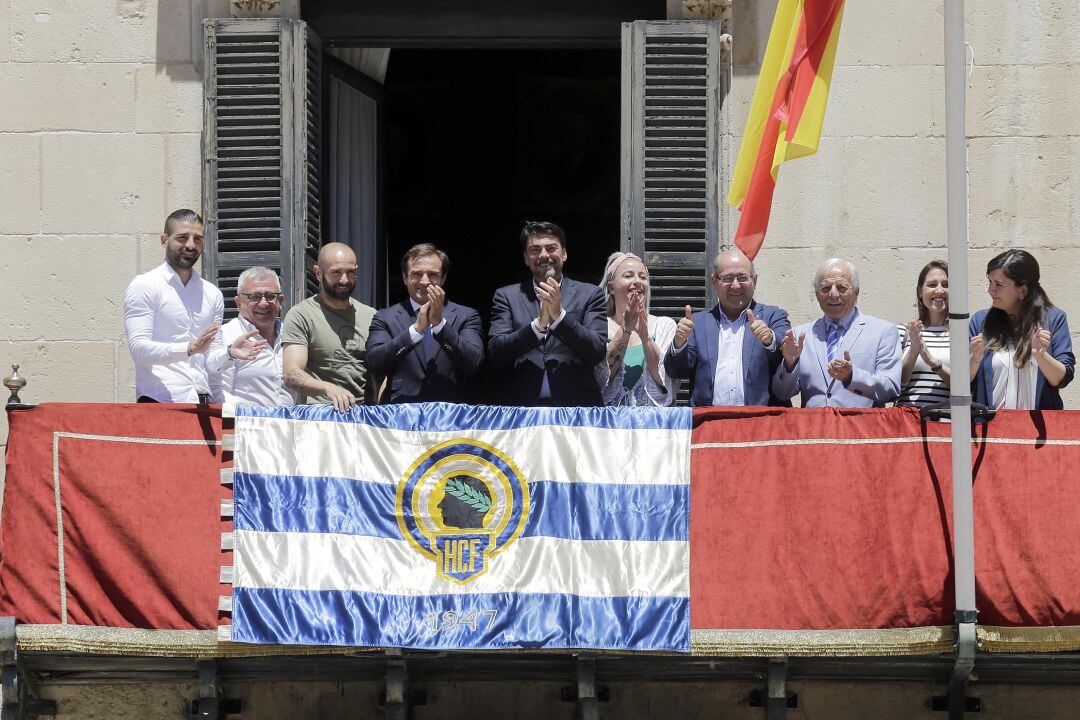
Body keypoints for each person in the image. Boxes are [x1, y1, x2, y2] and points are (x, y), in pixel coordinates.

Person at [488, 221, 606, 406]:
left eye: (551, 248)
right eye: (535, 250)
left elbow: (596, 350)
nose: (544, 255)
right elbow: (497, 353)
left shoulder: (590, 294)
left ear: (564, 254)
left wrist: (559, 317)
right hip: (522, 409)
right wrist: (537, 327)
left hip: (576, 408)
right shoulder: (506, 296)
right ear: (526, 258)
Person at [664, 249, 791, 407]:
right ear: (714, 282)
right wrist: (679, 343)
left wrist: (770, 340)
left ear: (755, 281)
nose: (736, 285)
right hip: (709, 424)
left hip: (761, 423)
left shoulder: (774, 316)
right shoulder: (698, 323)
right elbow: (676, 371)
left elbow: (787, 357)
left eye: (742, 277)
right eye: (728, 278)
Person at [124, 209, 224, 403]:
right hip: (160, 401)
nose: (190, 245)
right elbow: (138, 349)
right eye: (182, 237)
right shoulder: (145, 285)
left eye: (197, 239)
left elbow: (212, 362)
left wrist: (230, 354)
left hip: (203, 402)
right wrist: (188, 348)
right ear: (164, 240)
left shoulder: (212, 293)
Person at [773, 258, 902, 407]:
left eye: (841, 287)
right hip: (813, 428)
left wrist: (852, 376)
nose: (833, 294)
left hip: (860, 428)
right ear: (816, 294)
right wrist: (790, 365)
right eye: (826, 288)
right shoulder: (800, 335)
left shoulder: (883, 332)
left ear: (856, 292)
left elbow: (891, 389)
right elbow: (781, 393)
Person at [366, 244, 484, 403]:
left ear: (443, 278)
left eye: (433, 274)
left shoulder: (466, 316)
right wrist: (415, 331)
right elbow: (375, 363)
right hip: (401, 415)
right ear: (404, 277)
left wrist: (440, 326)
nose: (425, 281)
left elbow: (473, 363)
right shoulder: (385, 317)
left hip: (450, 416)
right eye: (417, 274)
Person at [969, 249, 1074, 410]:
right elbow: (961, 381)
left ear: (1022, 291)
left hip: (1038, 431)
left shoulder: (1053, 319)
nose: (991, 290)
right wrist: (974, 359)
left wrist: (1041, 356)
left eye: (998, 284)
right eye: (990, 282)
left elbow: (1062, 378)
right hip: (991, 428)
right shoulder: (980, 322)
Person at [282, 243, 376, 412]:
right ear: (318, 273)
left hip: (363, 415)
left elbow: (381, 373)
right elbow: (291, 374)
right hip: (319, 415)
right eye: (336, 272)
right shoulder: (301, 315)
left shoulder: (371, 316)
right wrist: (328, 388)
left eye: (350, 272)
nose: (344, 280)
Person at [594, 252, 678, 406]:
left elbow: (665, 380)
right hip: (608, 425)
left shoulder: (664, 326)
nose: (637, 281)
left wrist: (645, 337)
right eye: (628, 276)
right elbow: (599, 380)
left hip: (652, 426)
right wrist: (626, 328)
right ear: (611, 287)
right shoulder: (597, 326)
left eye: (642, 277)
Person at [207, 266, 294, 407]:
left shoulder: (291, 336)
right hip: (245, 425)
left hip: (289, 425)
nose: (264, 303)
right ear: (238, 303)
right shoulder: (226, 336)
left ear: (280, 301)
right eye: (255, 297)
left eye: (270, 296)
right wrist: (255, 414)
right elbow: (218, 393)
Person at [896, 261, 951, 408]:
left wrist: (932, 362)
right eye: (932, 285)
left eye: (945, 285)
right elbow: (895, 387)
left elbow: (965, 386)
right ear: (920, 291)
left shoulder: (961, 336)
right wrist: (914, 352)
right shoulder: (904, 332)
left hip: (947, 424)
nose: (939, 290)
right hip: (908, 423)